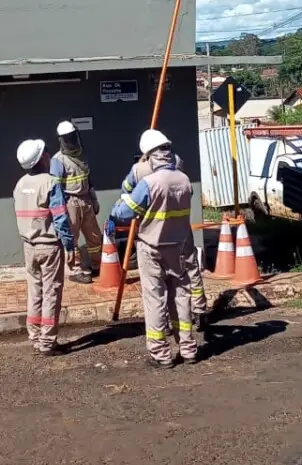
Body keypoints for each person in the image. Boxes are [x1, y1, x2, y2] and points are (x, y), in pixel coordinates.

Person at [108, 131, 198, 369]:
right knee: (181, 295)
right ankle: (188, 347)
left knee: (155, 298)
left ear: (150, 156)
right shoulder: (184, 180)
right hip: (178, 246)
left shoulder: (150, 183)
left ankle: (161, 353)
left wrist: (114, 212)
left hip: (151, 247)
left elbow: (125, 211)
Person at [121, 130, 208, 329]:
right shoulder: (177, 162)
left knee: (157, 285)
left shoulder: (138, 170)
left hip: (153, 233)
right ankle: (199, 310)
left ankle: (166, 324)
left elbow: (126, 189)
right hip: (181, 231)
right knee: (190, 271)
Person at [13, 138, 75, 356]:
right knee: (51, 292)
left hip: (29, 246)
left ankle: (35, 337)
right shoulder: (50, 183)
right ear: (42, 158)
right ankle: (47, 342)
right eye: (46, 152)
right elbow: (60, 218)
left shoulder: (20, 185)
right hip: (49, 247)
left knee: (35, 292)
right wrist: (70, 246)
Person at [50, 120, 102, 285]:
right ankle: (74, 269)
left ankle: (97, 264)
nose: (71, 140)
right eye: (68, 138)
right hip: (70, 201)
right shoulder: (58, 160)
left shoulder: (81, 154)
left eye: (73, 136)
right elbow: (56, 186)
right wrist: (60, 209)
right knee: (71, 238)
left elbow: (88, 178)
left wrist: (93, 199)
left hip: (85, 198)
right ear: (61, 140)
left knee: (94, 236)